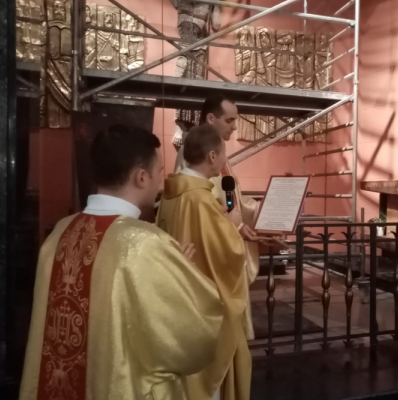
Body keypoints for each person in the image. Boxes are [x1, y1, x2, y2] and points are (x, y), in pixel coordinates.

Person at [19, 125, 223, 400]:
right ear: (141, 177)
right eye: (159, 172)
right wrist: (182, 281)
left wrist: (170, 271)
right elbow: (194, 340)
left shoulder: (59, 234)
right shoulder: (146, 244)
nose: (160, 181)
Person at [158, 124, 250, 400]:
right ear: (212, 156)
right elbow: (226, 254)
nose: (224, 160)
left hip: (175, 301)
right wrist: (230, 226)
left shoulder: (171, 193)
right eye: (223, 154)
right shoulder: (200, 200)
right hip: (201, 308)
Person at [174, 94, 260, 342]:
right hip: (209, 253)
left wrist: (256, 216)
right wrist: (232, 226)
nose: (234, 127)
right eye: (229, 120)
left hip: (225, 238)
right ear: (211, 118)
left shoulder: (219, 153)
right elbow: (199, 207)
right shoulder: (192, 153)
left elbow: (232, 196)